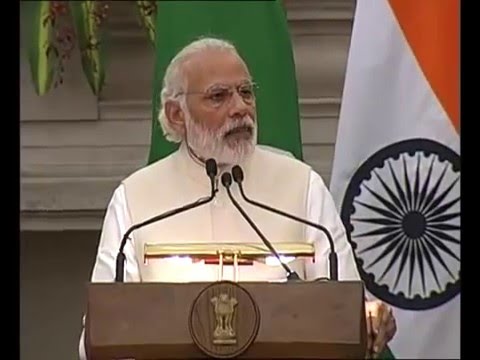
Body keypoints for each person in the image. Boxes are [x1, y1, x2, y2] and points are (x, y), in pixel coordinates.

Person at [78, 37, 396, 359]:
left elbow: (347, 314)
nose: (240, 108)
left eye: (245, 92)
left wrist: (369, 319)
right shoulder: (136, 200)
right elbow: (100, 336)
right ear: (177, 115)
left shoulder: (301, 185)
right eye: (219, 96)